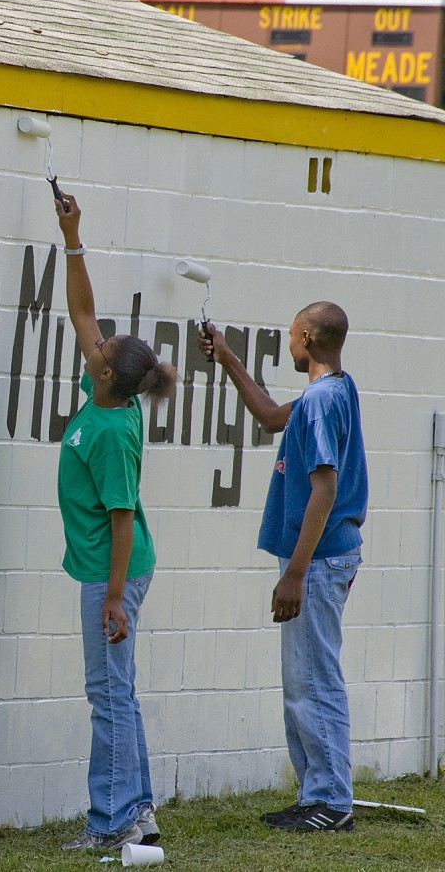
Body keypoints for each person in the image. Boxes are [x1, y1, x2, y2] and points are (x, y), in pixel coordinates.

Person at [199, 303, 366, 833]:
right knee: (305, 680)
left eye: (292, 335)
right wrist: (227, 358)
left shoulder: (319, 402)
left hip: (315, 560)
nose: (288, 342)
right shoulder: (338, 388)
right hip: (325, 555)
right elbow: (272, 417)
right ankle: (315, 792)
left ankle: (332, 802)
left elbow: (324, 487)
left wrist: (294, 573)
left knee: (314, 682)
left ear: (308, 336)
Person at [54, 193, 177, 851]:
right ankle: (137, 810)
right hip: (109, 571)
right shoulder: (105, 389)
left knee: (108, 696)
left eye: (101, 351)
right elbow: (80, 310)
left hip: (114, 572)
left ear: (107, 375)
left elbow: (122, 520)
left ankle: (113, 821)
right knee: (115, 692)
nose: (94, 346)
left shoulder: (109, 430)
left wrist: (112, 598)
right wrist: (73, 238)